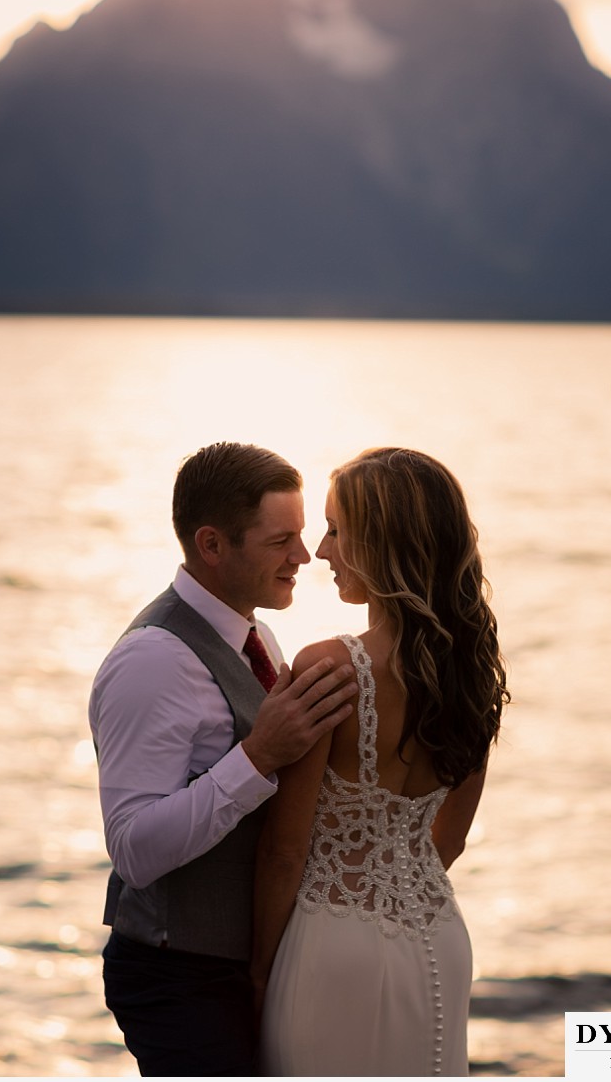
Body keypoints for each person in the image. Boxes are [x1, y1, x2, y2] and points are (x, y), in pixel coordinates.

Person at [89, 442, 358, 1077]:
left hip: (254, 965)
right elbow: (133, 849)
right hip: (179, 976)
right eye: (280, 541)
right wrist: (258, 756)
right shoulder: (151, 660)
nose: (303, 557)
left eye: (303, 535)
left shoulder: (257, 635)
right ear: (212, 545)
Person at [252, 446, 510, 1077]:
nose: (320, 550)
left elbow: (284, 853)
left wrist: (257, 971)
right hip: (440, 936)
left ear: (383, 543)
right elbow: (449, 838)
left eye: (338, 530)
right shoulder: (473, 674)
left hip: (332, 943)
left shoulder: (327, 668)